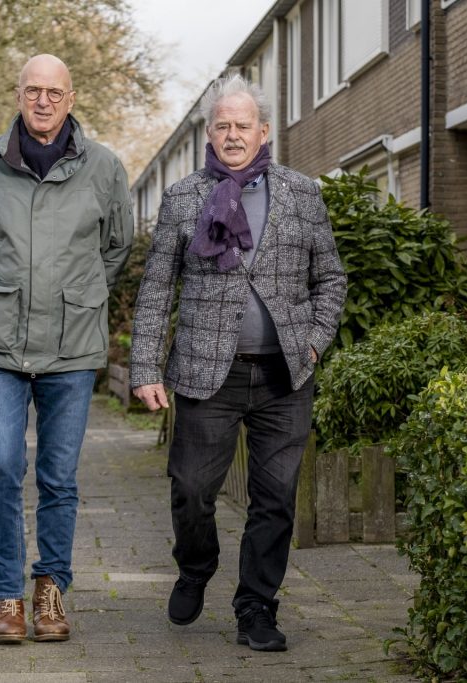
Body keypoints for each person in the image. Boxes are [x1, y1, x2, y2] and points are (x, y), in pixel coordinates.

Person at [130, 74, 346, 652]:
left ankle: (256, 607)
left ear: (264, 131)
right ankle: (196, 566)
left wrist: (316, 340)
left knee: (274, 499)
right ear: (210, 131)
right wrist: (145, 368)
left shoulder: (303, 193)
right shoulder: (183, 198)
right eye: (222, 125)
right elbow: (156, 290)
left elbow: (329, 278)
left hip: (284, 374)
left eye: (242, 125)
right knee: (192, 489)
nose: (232, 134)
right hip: (206, 372)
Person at [0, 53, 133, 644]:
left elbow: (116, 248)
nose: (44, 101)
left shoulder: (104, 168)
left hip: (73, 347)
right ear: (18, 94)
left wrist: (78, 295)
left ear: (72, 97)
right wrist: (2, 289)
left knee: (59, 476)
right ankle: (7, 595)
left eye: (54, 92)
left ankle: (50, 590)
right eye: (34, 91)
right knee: (3, 466)